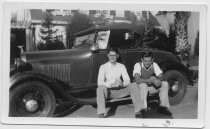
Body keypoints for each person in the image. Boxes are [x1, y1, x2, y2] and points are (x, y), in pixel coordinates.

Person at [97, 47, 144, 118]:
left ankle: (139, 111)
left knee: (133, 85)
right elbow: (100, 82)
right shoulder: (103, 67)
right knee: (100, 88)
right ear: (108, 55)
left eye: (114, 55)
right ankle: (101, 114)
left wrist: (122, 84)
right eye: (111, 55)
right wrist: (110, 85)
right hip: (109, 92)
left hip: (120, 90)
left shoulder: (121, 66)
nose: (112, 57)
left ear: (117, 56)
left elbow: (127, 80)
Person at [133, 49, 172, 117]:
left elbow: (162, 76)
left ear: (152, 60)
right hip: (140, 88)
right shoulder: (137, 65)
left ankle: (163, 108)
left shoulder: (154, 65)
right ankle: (142, 111)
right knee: (143, 85)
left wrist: (157, 80)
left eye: (149, 61)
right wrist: (151, 80)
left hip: (149, 87)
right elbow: (137, 80)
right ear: (141, 60)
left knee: (165, 83)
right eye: (145, 61)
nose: (147, 63)